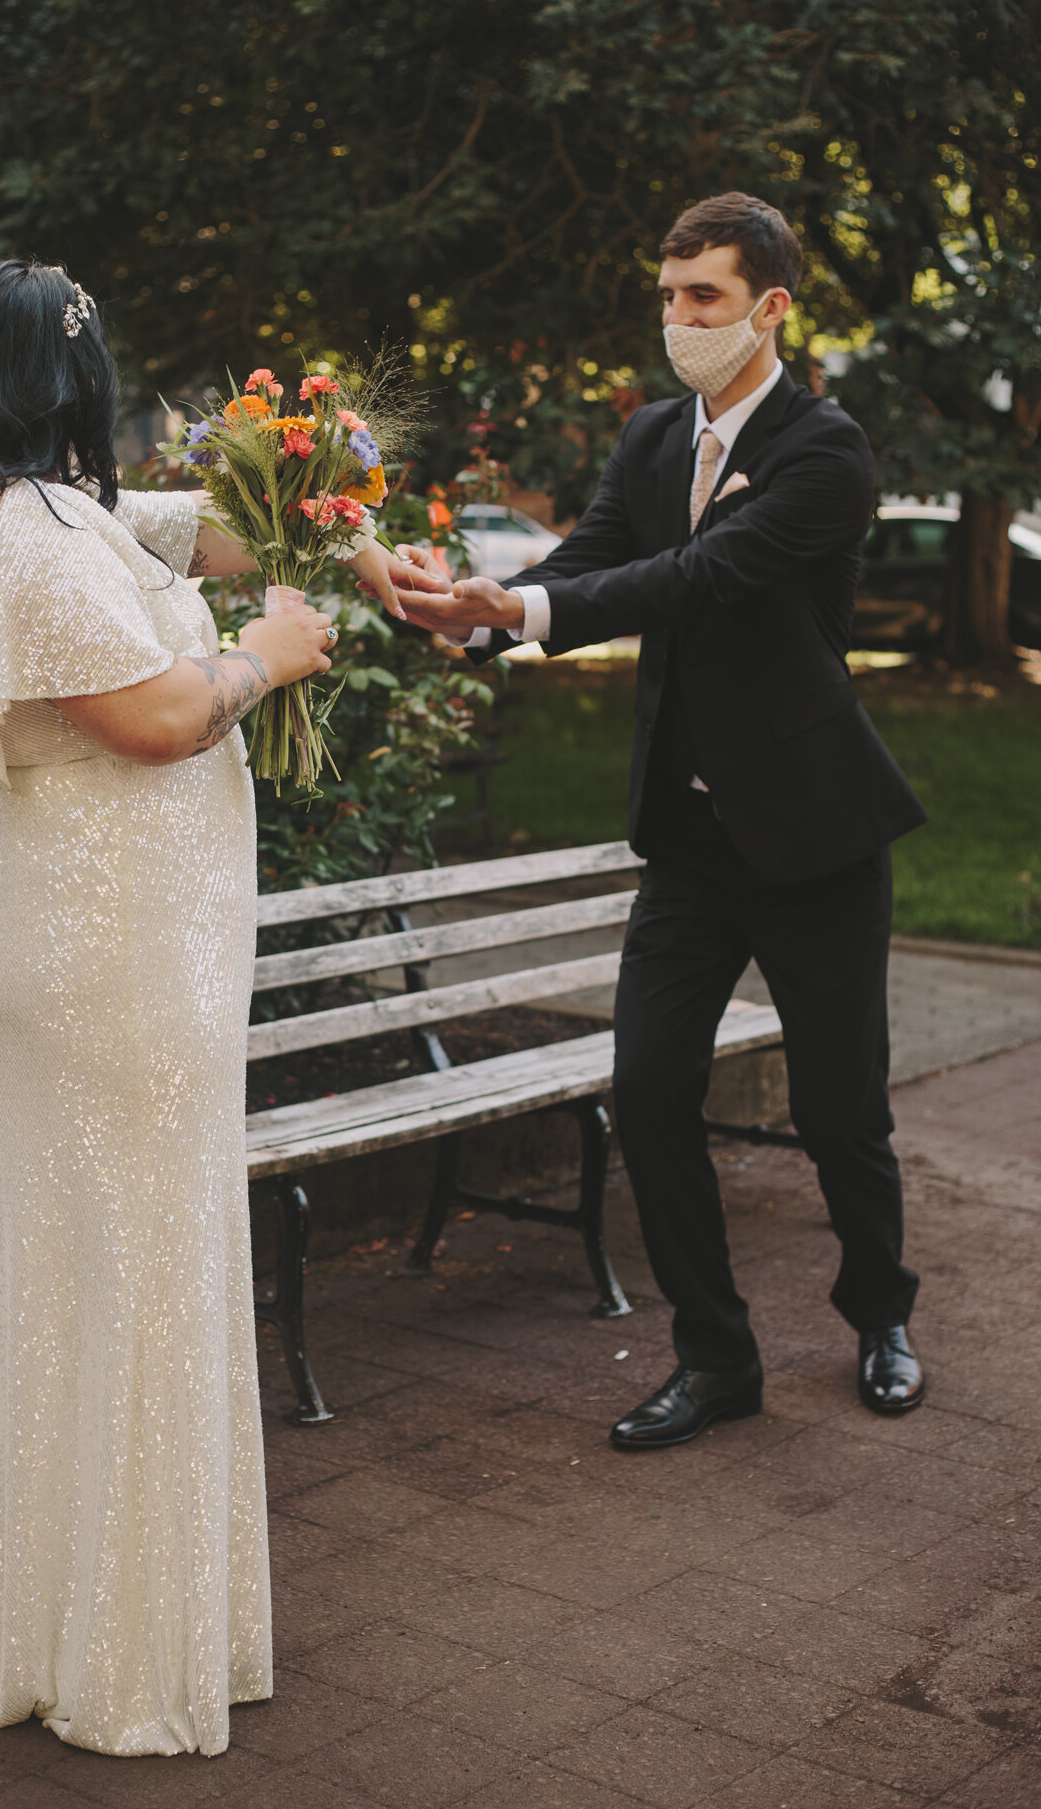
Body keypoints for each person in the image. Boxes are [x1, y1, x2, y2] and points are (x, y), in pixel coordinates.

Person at [0, 257, 411, 1754]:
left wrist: (325, 524)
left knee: (49, 1283)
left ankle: (50, 1619)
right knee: (128, 1276)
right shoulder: (29, 531)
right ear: (58, 381)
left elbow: (191, 534)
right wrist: (267, 656)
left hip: (37, 938)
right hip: (98, 962)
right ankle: (115, 1658)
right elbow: (156, 718)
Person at [397, 192, 928, 1448]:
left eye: (705, 296)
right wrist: (474, 608)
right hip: (688, 843)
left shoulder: (824, 448)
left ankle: (881, 1314)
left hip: (813, 838)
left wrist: (522, 613)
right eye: (670, 293)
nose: (680, 318)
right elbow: (582, 563)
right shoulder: (648, 439)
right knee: (647, 1096)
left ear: (770, 305)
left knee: (838, 1107)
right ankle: (715, 1355)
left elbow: (699, 578)